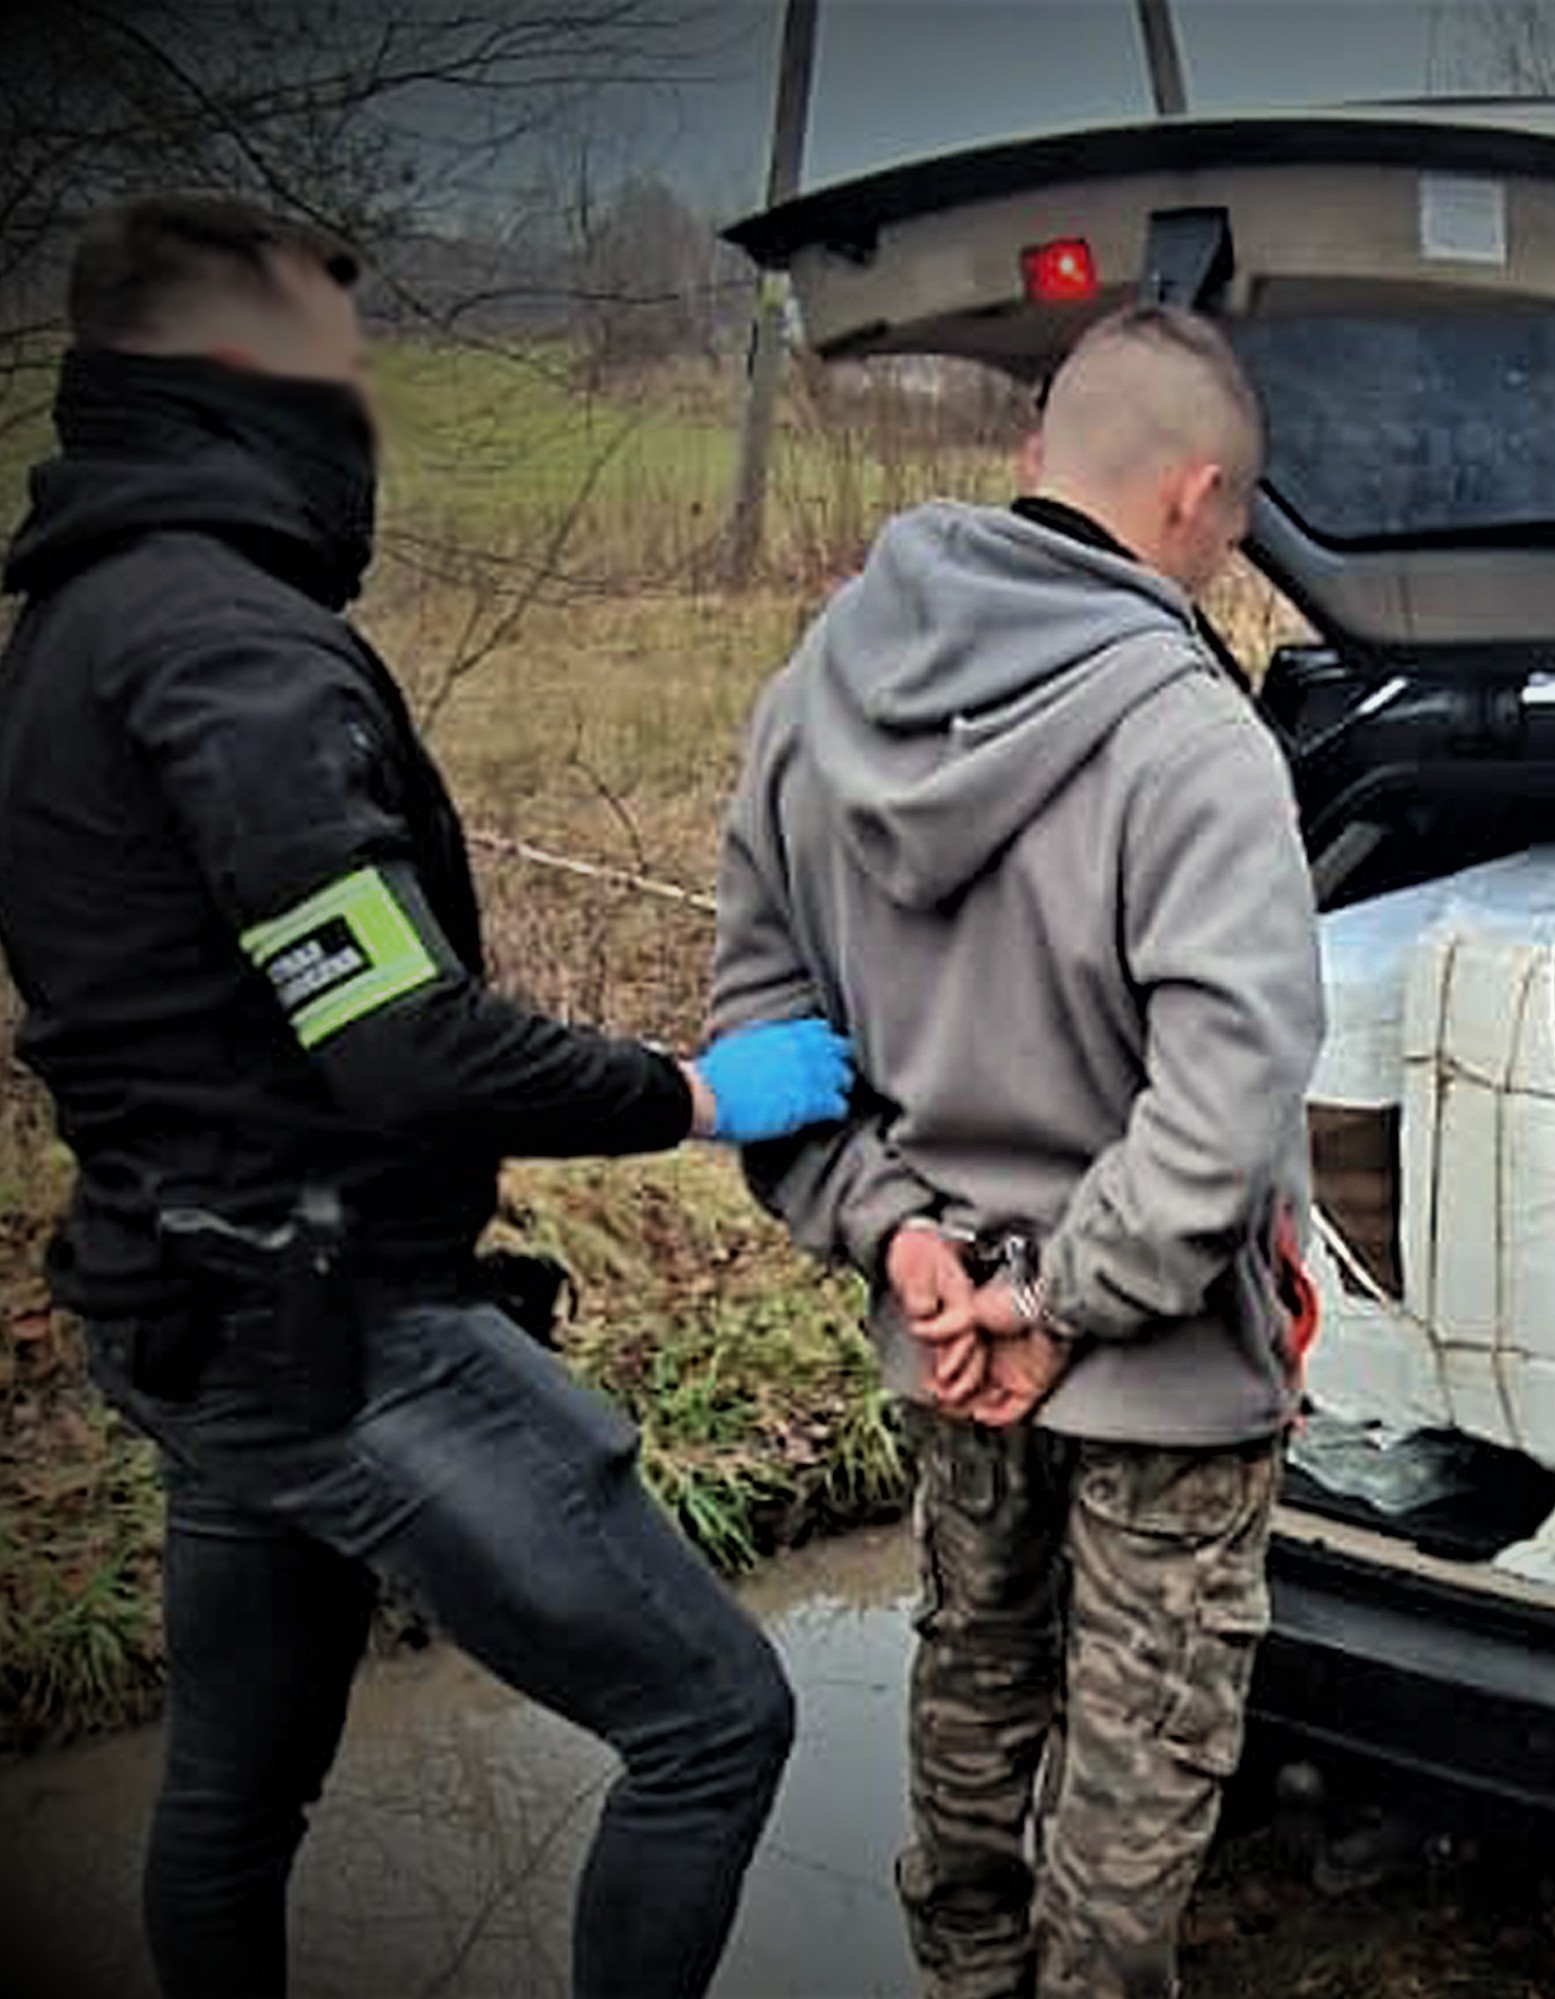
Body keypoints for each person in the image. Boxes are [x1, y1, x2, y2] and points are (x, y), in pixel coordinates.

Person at [0, 196, 858, 1999]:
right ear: (238, 373)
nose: (364, 411)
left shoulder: (77, 622)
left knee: (233, 1794)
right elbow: (399, 1040)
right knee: (714, 1721)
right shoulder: (228, 653)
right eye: (338, 367)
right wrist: (693, 1093)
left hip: (182, 1296)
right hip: (334, 1328)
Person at [711, 302, 1323, 1999]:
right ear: (1200, 498)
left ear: (1037, 455)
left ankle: (961, 1978)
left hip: (940, 1338)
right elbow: (1225, 1104)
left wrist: (898, 1238)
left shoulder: (813, 694)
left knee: (972, 1681)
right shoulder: (1193, 741)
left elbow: (760, 1025)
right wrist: (1053, 1301)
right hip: (1155, 1375)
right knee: (1137, 1766)